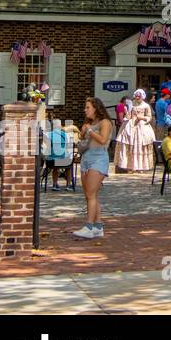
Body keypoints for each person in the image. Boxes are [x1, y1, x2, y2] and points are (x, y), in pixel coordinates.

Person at [74, 98, 114, 238]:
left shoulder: (105, 122)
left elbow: (103, 140)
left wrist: (89, 131)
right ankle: (98, 226)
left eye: (88, 107)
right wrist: (83, 131)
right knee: (90, 195)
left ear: (96, 108)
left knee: (91, 194)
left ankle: (88, 226)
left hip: (98, 159)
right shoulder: (89, 123)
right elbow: (83, 139)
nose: (85, 110)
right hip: (86, 158)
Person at [114, 89, 156, 172]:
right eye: (136, 96)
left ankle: (140, 167)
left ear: (142, 96)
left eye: (139, 96)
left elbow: (149, 117)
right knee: (130, 145)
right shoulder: (132, 104)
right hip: (131, 126)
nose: (137, 97)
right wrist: (127, 112)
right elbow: (128, 116)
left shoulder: (146, 105)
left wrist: (142, 118)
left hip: (142, 127)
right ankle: (130, 166)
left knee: (140, 146)